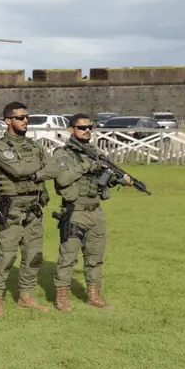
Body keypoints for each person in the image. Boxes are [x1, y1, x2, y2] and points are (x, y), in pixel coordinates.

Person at [51, 113, 132, 311]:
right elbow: (62, 179)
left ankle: (94, 295)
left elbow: (104, 180)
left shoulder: (97, 153)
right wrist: (87, 165)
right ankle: (62, 296)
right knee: (68, 257)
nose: (87, 130)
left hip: (96, 211)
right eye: (82, 127)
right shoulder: (63, 154)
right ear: (71, 130)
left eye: (89, 127)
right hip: (75, 211)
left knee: (95, 257)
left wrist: (120, 180)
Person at [0, 101, 60, 316]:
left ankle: (26, 296)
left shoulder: (34, 145)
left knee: (34, 255)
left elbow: (54, 167)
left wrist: (38, 171)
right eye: (20, 117)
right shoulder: (0, 147)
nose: (25, 120)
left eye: (27, 117)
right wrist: (41, 169)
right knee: (7, 256)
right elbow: (18, 170)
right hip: (13, 208)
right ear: (7, 120)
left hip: (34, 207)